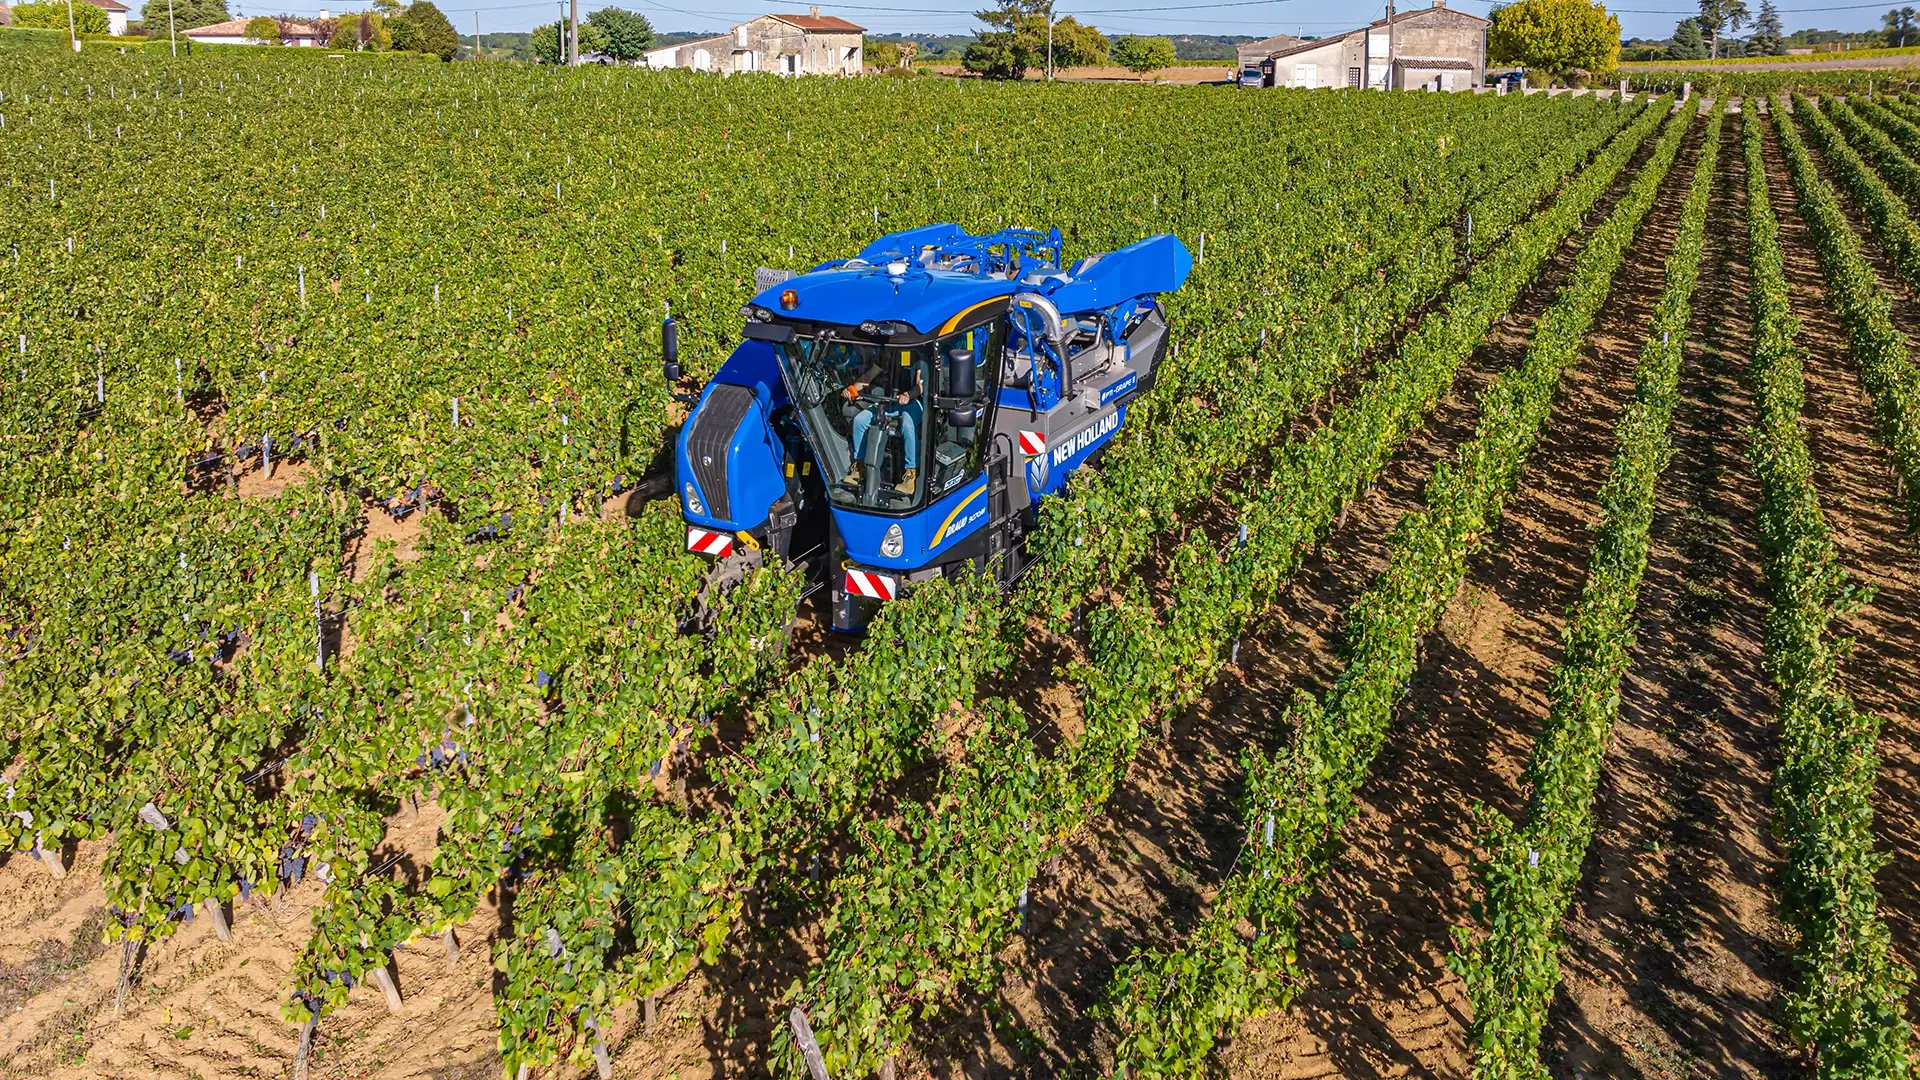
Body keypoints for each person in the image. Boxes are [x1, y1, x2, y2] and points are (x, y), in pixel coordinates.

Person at [841, 365, 921, 495]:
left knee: (908, 425)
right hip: (888, 403)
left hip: (911, 403)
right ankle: (859, 466)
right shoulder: (886, 358)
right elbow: (866, 378)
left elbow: (920, 385)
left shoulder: (917, 356)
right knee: (860, 420)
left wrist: (908, 394)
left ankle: (911, 473)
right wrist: (851, 390)